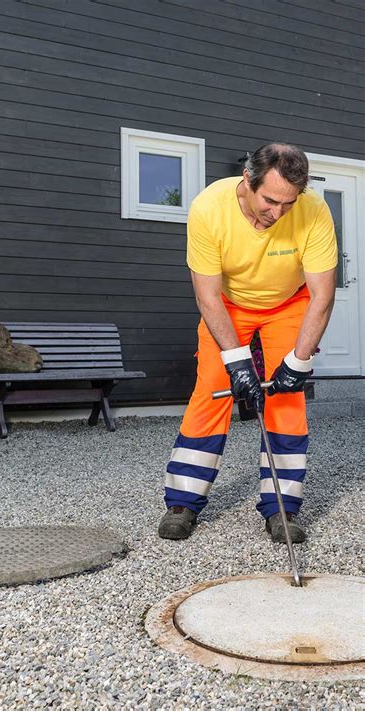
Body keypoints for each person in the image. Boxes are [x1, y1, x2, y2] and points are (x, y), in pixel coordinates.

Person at [158, 143, 337, 543]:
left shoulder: (313, 212)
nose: (277, 213)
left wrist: (298, 361)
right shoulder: (209, 209)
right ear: (247, 180)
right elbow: (207, 295)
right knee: (211, 392)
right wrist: (237, 361)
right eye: (270, 201)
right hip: (229, 305)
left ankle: (282, 509)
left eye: (288, 204)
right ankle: (182, 503)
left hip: (289, 303)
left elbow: (322, 296)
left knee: (287, 400)